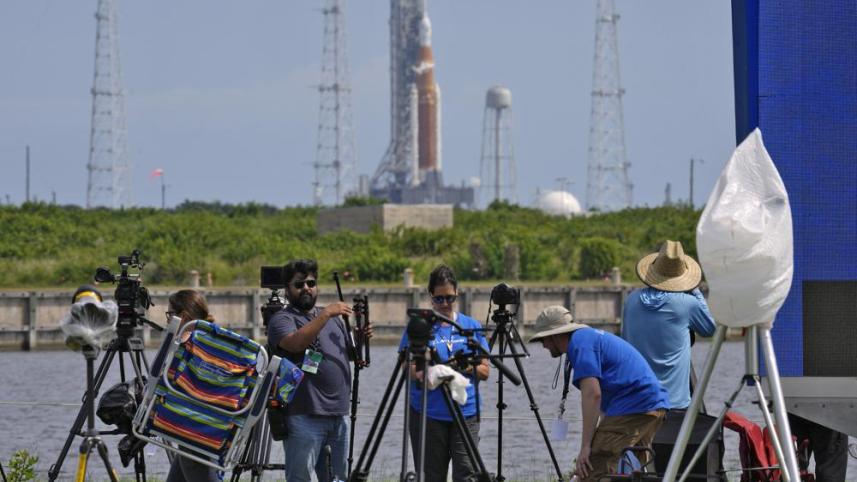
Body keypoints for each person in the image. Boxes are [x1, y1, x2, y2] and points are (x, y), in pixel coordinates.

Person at [529, 305, 670, 482]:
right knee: (634, 472)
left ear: (556, 335)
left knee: (593, 467)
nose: (543, 346)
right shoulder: (588, 339)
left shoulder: (580, 345)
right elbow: (604, 397)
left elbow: (593, 395)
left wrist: (586, 447)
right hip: (652, 405)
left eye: (543, 339)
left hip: (634, 407)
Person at [267, 259, 371, 482]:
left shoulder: (333, 319)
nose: (306, 288)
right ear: (288, 289)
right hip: (303, 415)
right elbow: (295, 344)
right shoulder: (282, 319)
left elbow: (349, 356)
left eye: (311, 283)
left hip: (338, 414)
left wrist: (360, 339)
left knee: (338, 478)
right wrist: (325, 315)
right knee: (300, 477)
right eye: (299, 284)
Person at [398, 264, 490, 482]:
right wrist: (427, 374)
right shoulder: (419, 327)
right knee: (431, 476)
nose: (445, 304)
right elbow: (405, 367)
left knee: (467, 474)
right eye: (439, 299)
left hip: (465, 414)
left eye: (449, 298)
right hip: (427, 414)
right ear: (430, 296)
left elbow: (485, 371)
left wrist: (462, 367)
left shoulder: (470, 326)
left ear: (457, 293)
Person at [622, 239, 716, 410]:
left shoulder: (631, 300)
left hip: (634, 399)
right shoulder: (686, 303)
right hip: (674, 402)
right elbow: (710, 329)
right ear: (681, 277)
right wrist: (695, 290)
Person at [164, 289, 220, 482]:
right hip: (209, 427)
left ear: (185, 316)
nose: (168, 319)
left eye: (170, 314)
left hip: (193, 429)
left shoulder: (189, 345)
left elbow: (168, 384)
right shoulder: (214, 342)